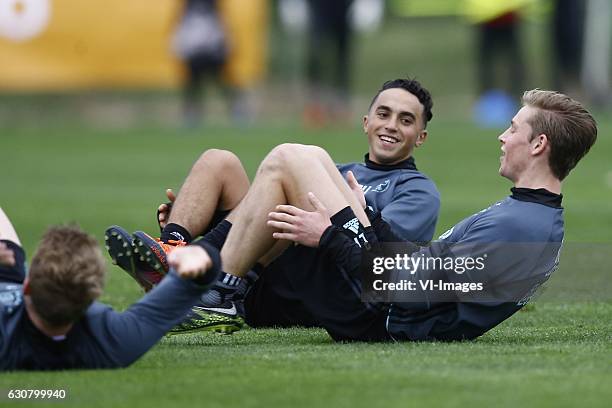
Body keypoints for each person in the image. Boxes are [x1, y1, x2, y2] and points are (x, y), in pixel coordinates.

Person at [167, 89, 597, 341]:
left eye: (514, 129)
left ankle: (216, 289)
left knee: (289, 158)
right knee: (309, 157)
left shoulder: (519, 227)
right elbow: (426, 268)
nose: (503, 137)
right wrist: (368, 218)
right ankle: (198, 261)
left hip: (377, 315)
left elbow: (411, 291)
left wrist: (332, 236)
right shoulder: (529, 215)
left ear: (538, 145)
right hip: (385, 299)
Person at [106, 78, 440, 332]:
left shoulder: (418, 190)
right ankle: (175, 244)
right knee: (218, 162)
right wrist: (202, 216)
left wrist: (345, 215)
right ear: (367, 122)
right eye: (384, 114)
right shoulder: (336, 172)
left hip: (316, 286)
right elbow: (263, 212)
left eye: (406, 120)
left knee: (291, 159)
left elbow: (381, 258)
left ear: (421, 137)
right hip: (265, 269)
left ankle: (190, 271)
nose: (392, 125)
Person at [0, 208, 222, 370]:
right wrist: (201, 257)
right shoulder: (112, 341)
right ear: (92, 298)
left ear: (27, 285)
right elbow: (199, 276)